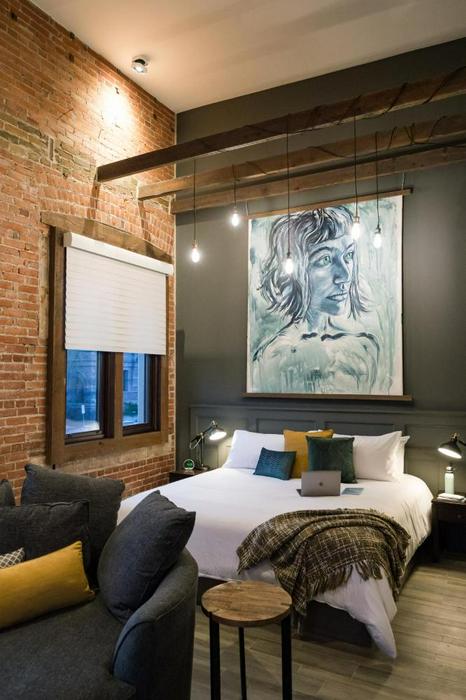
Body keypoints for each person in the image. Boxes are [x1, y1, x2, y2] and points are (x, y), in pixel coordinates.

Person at [250, 207, 382, 394]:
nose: (345, 276)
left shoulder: (365, 348)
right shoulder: (272, 357)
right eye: (325, 259)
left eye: (348, 255)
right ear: (296, 272)